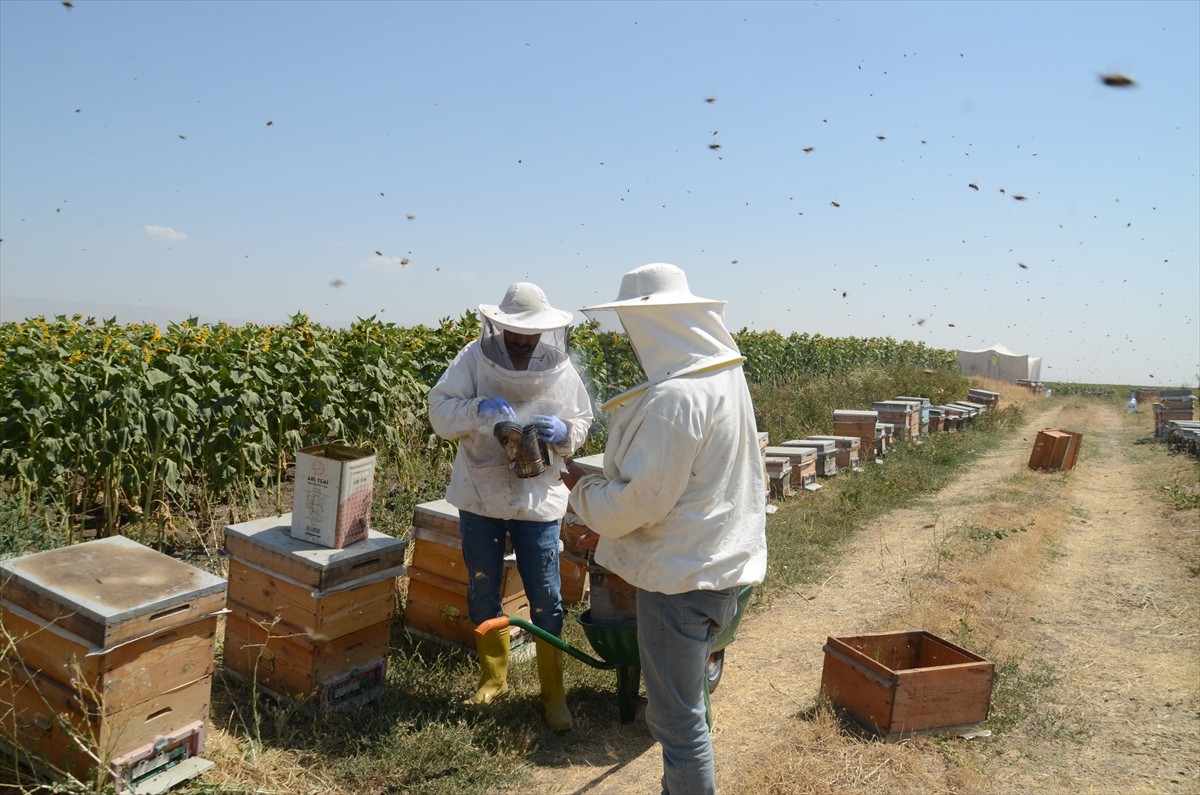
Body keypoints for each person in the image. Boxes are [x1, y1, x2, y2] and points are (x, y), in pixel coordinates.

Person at [560, 263, 768, 794]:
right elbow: (688, 484)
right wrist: (604, 505)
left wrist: (581, 490)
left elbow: (641, 502)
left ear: (653, 324)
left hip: (679, 582)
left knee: (678, 726)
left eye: (632, 324)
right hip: (716, 566)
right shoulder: (723, 377)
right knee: (685, 713)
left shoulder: (678, 398)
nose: (630, 337)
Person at [428, 282, 593, 732]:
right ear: (498, 326)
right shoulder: (473, 357)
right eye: (514, 334)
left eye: (529, 335)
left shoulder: (559, 367)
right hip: (480, 490)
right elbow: (439, 412)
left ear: (544, 331)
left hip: (537, 495)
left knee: (546, 593)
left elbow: (582, 420)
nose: (521, 342)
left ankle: (553, 693)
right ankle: (493, 680)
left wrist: (564, 431)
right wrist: (478, 409)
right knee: (482, 586)